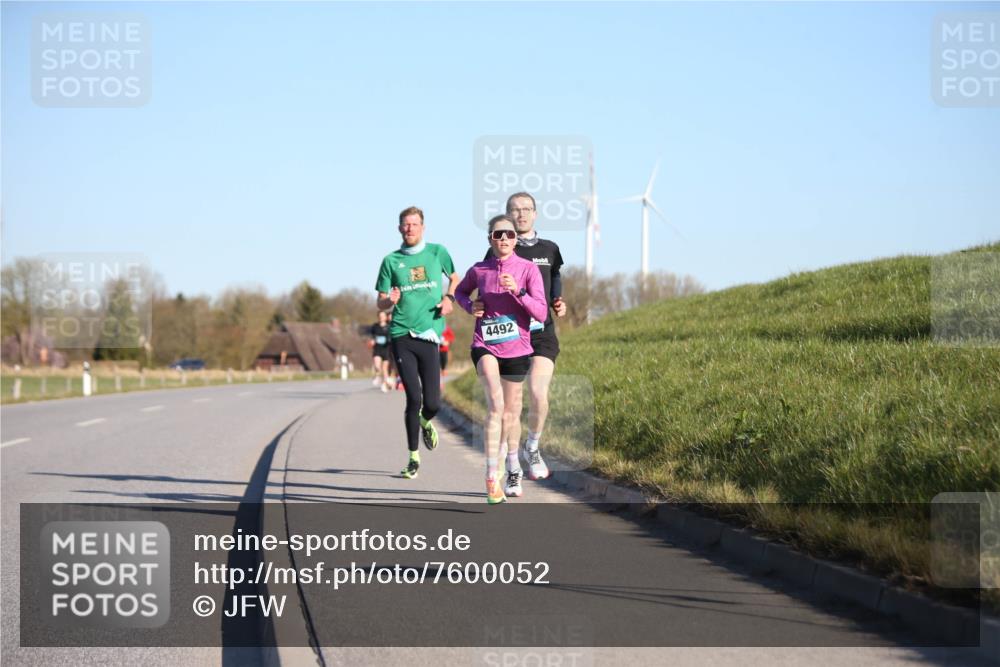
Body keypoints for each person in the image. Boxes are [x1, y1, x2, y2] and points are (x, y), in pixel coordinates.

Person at [457, 214, 548, 503]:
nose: (505, 239)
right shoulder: (479, 269)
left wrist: (518, 291)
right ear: (490, 240)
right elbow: (460, 292)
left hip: (518, 348)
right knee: (496, 405)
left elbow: (542, 313)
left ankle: (512, 466)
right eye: (498, 235)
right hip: (485, 344)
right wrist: (471, 306)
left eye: (509, 234)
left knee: (512, 411)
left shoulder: (527, 269)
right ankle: (490, 474)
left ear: (515, 239)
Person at [482, 192, 566, 480]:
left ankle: (533, 445)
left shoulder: (550, 248)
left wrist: (558, 300)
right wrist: (478, 305)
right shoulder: (500, 247)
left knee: (538, 392)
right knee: (512, 405)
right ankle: (512, 462)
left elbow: (554, 276)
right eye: (515, 210)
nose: (521, 214)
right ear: (507, 214)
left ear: (535, 213)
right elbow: (485, 283)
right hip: (509, 334)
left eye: (527, 209)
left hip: (541, 330)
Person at [375, 206, 459, 479]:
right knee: (414, 397)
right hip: (401, 334)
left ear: (423, 226)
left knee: (432, 403)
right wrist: (390, 301)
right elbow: (380, 300)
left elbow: (455, 279)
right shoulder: (390, 260)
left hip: (430, 334)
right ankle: (413, 457)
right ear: (399, 228)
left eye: (414, 224)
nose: (409, 228)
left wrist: (450, 299)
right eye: (405, 225)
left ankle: (425, 421)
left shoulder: (437, 252)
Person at [369, 310, 392, 392]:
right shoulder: (375, 326)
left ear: (386, 317)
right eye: (380, 316)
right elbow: (371, 336)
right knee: (377, 366)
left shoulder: (389, 327)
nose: (381, 318)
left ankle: (386, 383)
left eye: (383, 316)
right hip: (377, 349)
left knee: (385, 368)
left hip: (386, 349)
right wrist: (372, 340)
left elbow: (391, 338)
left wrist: (389, 340)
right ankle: (379, 376)